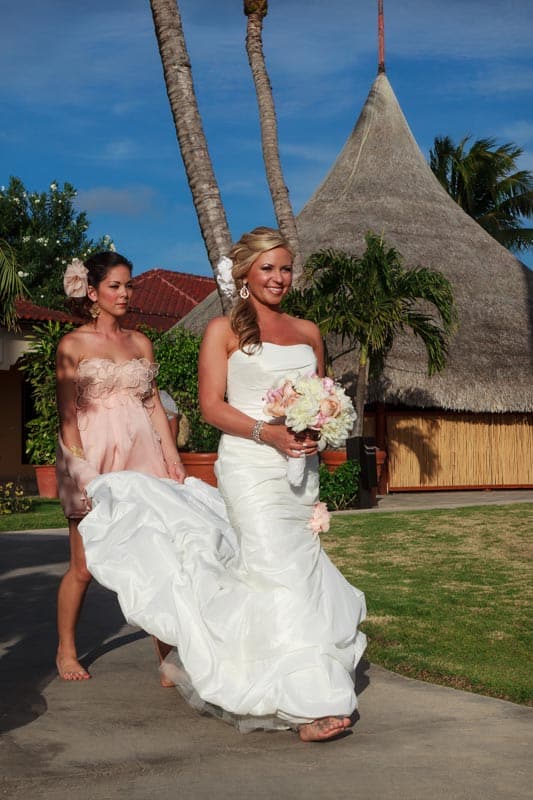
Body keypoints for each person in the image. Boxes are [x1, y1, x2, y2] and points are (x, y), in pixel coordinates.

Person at [77, 229, 366, 743]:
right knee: (274, 567)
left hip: (298, 470)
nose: (279, 278)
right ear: (245, 275)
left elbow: (323, 395)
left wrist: (317, 425)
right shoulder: (222, 331)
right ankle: (307, 701)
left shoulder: (308, 330)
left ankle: (287, 670)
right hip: (251, 465)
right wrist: (267, 432)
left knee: (298, 572)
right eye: (268, 269)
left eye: (285, 268)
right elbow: (212, 405)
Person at [55, 251, 186, 682]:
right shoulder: (72, 345)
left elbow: (154, 411)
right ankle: (66, 651)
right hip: (91, 457)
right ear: (93, 292)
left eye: (129, 285)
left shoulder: (140, 343)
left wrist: (174, 464)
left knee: (158, 560)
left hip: (143, 456)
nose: (125, 293)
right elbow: (68, 417)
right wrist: (84, 473)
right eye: (115, 286)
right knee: (84, 565)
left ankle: (167, 657)